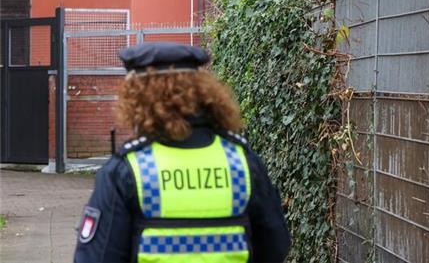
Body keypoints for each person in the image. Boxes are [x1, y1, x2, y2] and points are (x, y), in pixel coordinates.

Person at [73, 42, 290, 263]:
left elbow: (96, 257)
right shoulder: (240, 161)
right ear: (204, 91)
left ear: (138, 98)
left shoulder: (128, 170)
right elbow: (275, 246)